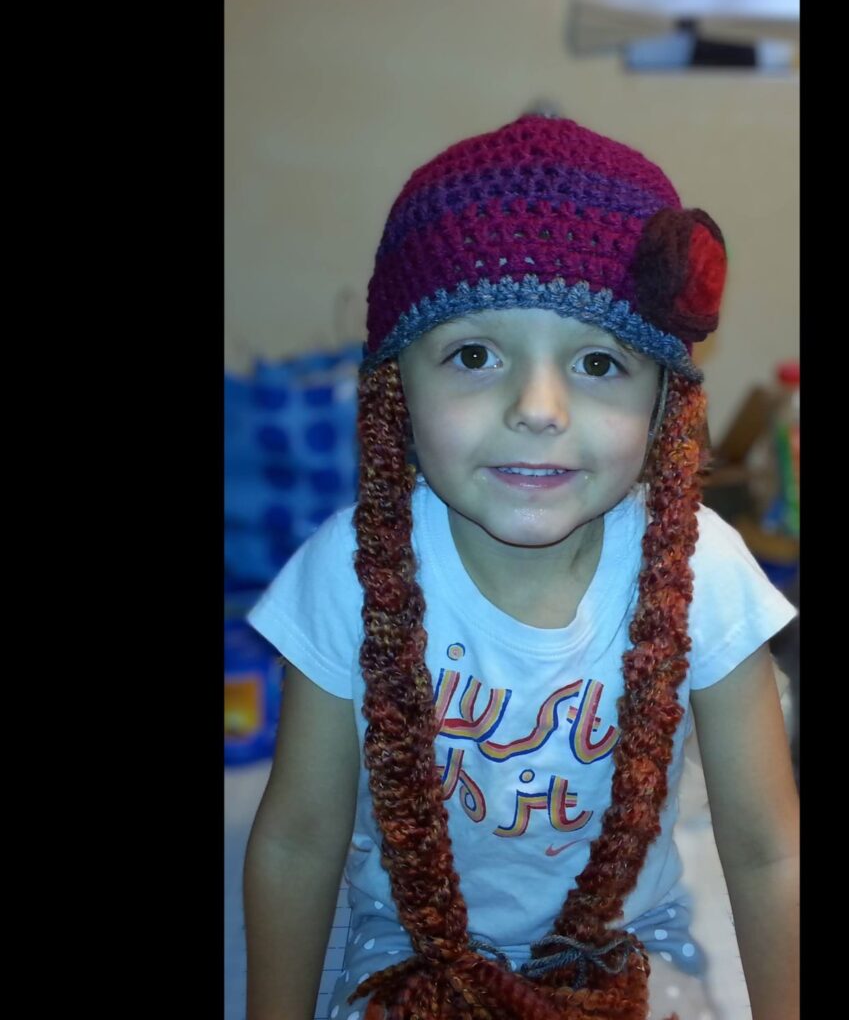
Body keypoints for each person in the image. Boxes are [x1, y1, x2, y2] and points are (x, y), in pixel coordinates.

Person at [243, 114, 799, 1020]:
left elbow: (768, 843)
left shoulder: (706, 571)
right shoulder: (348, 574)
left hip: (626, 940)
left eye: (595, 361)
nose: (538, 409)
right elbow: (298, 844)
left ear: (665, 398)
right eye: (473, 354)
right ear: (396, 385)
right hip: (410, 949)